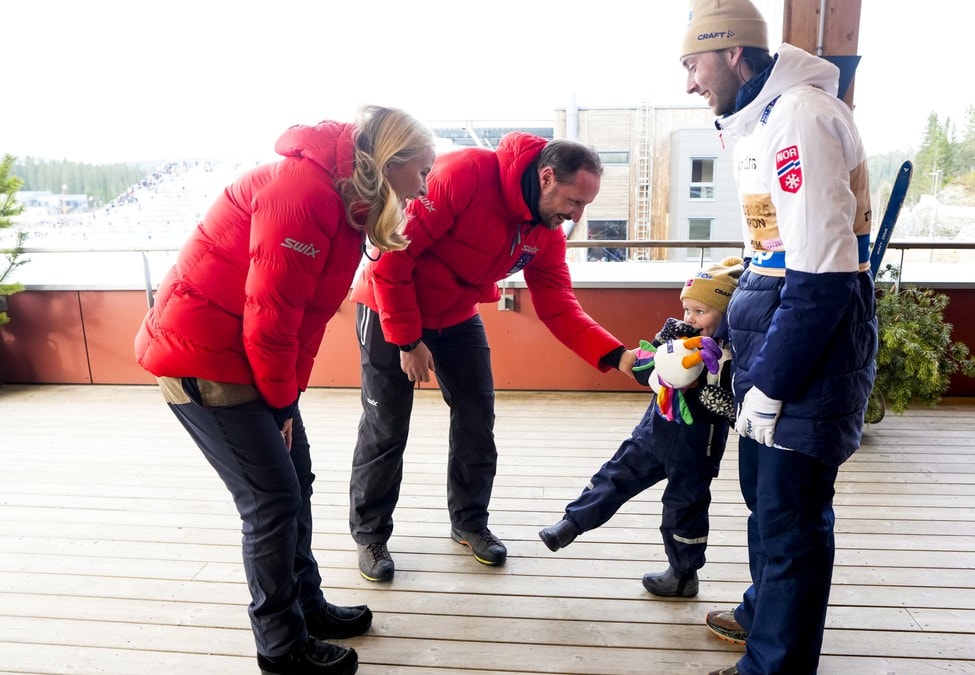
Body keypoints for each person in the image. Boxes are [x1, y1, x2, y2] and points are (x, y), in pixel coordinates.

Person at [134, 105, 435, 675]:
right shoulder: (305, 192)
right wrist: (281, 402)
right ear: (389, 162)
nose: (424, 186)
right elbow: (271, 318)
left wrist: (286, 400)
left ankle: (306, 605)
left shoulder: (346, 199)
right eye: (420, 172)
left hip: (243, 357)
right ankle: (280, 647)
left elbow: (304, 318)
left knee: (296, 479)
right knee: (271, 501)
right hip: (202, 359)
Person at [679, 1, 878, 673]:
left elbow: (822, 276)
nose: (688, 83)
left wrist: (772, 384)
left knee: (792, 520)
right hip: (772, 344)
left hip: (805, 358)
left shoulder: (800, 118)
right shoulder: (758, 120)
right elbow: (771, 252)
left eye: (693, 65)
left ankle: (774, 665)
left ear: (735, 54)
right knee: (765, 501)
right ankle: (763, 612)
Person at [347, 132, 637, 582]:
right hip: (388, 306)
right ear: (546, 177)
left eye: (584, 207)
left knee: (477, 418)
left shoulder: (545, 232)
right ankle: (370, 535)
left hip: (455, 315)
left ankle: (469, 522)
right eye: (573, 201)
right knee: (387, 424)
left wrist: (617, 356)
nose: (576, 216)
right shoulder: (463, 175)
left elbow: (559, 306)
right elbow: (391, 257)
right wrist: (407, 341)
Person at [538, 258, 744, 598]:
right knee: (612, 478)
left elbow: (729, 408)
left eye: (701, 311)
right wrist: (656, 363)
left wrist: (700, 387)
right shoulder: (675, 336)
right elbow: (645, 369)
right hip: (652, 435)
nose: (690, 318)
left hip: (695, 451)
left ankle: (682, 574)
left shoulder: (731, 357)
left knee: (684, 511)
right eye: (687, 309)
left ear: (726, 314)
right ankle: (571, 524)